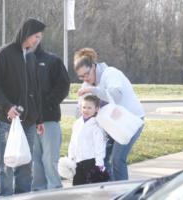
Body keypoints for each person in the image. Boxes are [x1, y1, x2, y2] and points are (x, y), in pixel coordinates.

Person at [0, 18, 46, 197]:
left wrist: (39, 119)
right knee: (6, 166)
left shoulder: (31, 57)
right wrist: (7, 107)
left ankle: (22, 197)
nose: (38, 40)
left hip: (29, 123)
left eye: (40, 37)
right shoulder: (4, 53)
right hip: (7, 121)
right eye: (36, 36)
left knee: (25, 165)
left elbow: (35, 91)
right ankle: (3, 196)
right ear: (26, 33)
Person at [73, 47, 145, 181]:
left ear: (93, 66)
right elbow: (80, 112)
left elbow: (116, 95)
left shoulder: (110, 73)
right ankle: (109, 190)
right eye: (81, 77)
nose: (85, 79)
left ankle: (122, 193)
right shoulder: (86, 85)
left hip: (130, 121)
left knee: (118, 159)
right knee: (101, 158)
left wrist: (94, 90)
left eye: (87, 74)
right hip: (110, 124)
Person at [31, 44, 70, 191]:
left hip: (48, 119)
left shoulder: (52, 60)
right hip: (29, 121)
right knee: (34, 160)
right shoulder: (20, 60)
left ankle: (54, 190)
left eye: (37, 36)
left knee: (50, 159)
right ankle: (38, 191)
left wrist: (47, 104)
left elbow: (63, 86)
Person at [68, 95, 108, 185]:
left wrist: (99, 164)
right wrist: (71, 157)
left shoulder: (96, 126)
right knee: (78, 187)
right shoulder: (77, 123)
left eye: (89, 108)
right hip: (78, 162)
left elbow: (99, 146)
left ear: (97, 109)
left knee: (92, 188)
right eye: (84, 107)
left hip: (91, 162)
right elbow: (73, 142)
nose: (86, 110)